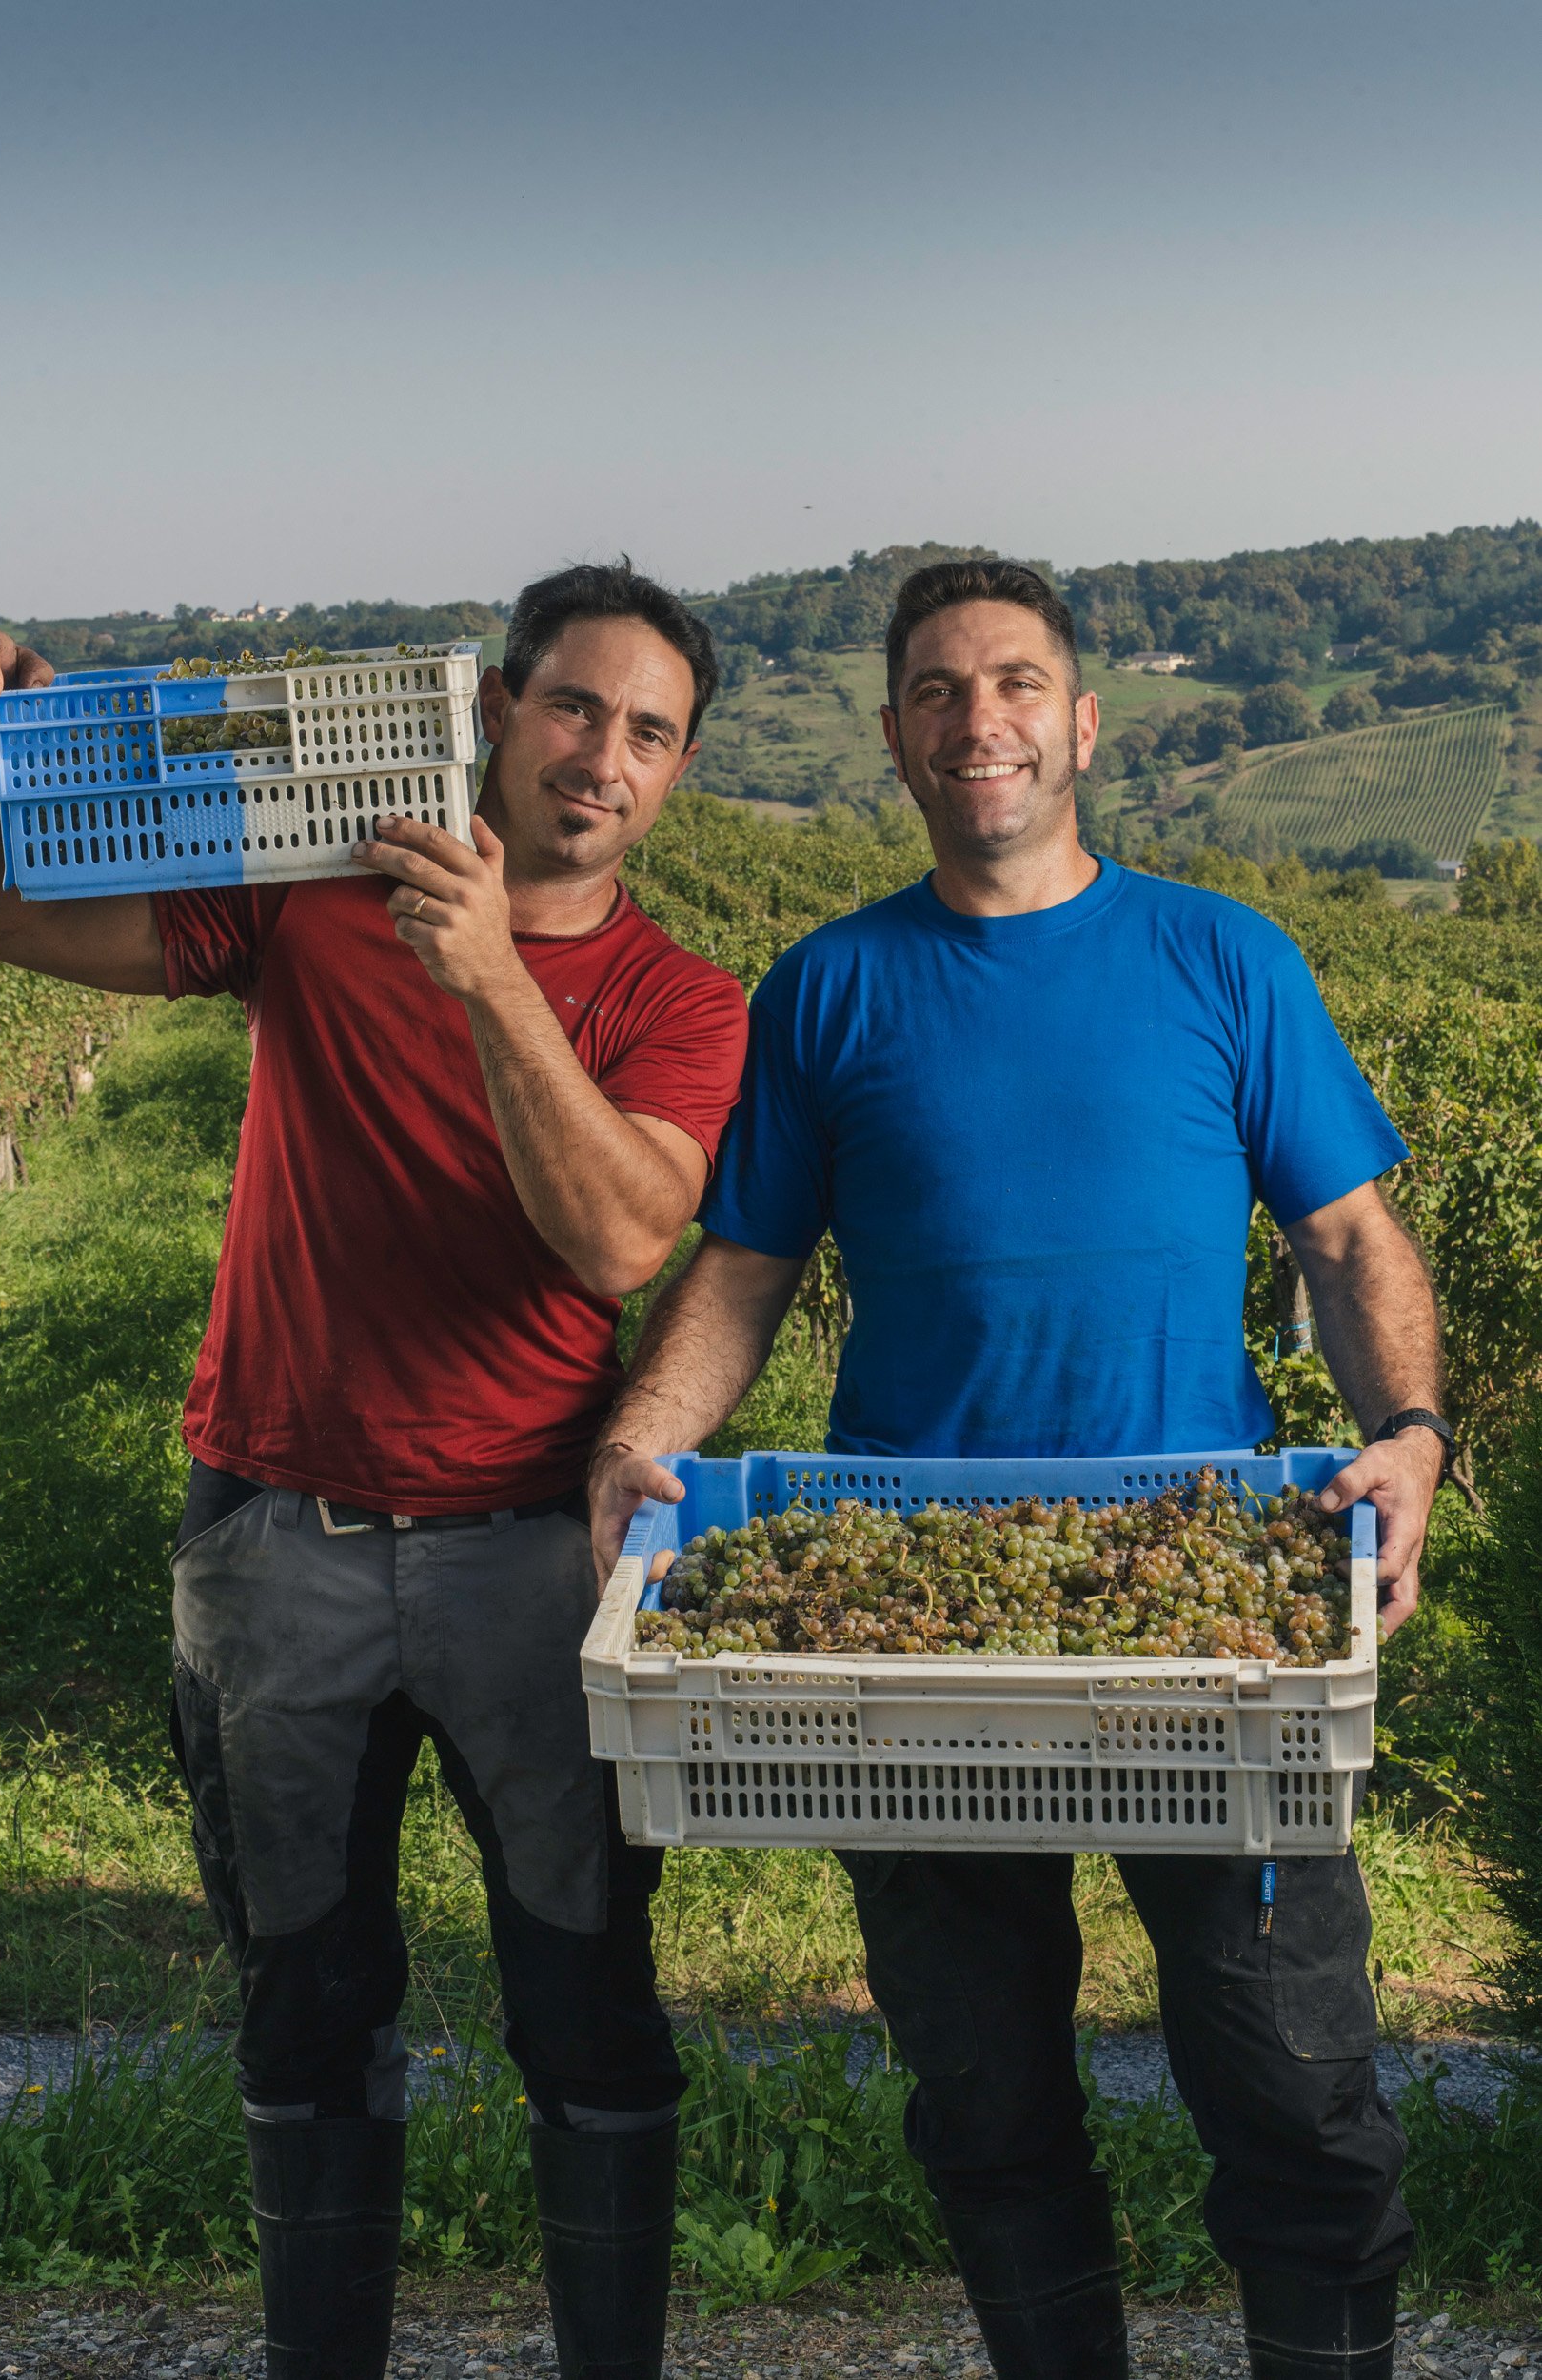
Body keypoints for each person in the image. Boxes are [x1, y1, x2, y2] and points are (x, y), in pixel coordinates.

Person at [590, 561, 1448, 2380]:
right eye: (936, 690)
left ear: (1079, 719)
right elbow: (743, 1271)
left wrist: (1412, 1440)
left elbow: (1356, 1240)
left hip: (1209, 1621)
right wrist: (642, 1443)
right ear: (894, 730)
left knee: (1295, 2087)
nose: (979, 720)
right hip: (920, 1639)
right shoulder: (829, 988)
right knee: (982, 2100)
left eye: (1015, 683)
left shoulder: (1225, 957)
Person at [0, 563, 749, 2380]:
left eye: (648, 734)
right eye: (572, 708)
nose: (601, 758)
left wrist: (487, 981)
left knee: (589, 2004)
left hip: (533, 1562)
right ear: (494, 713)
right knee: (307, 2005)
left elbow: (622, 1243)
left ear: (678, 773)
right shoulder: (320, 901)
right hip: (275, 1547)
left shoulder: (682, 1001)